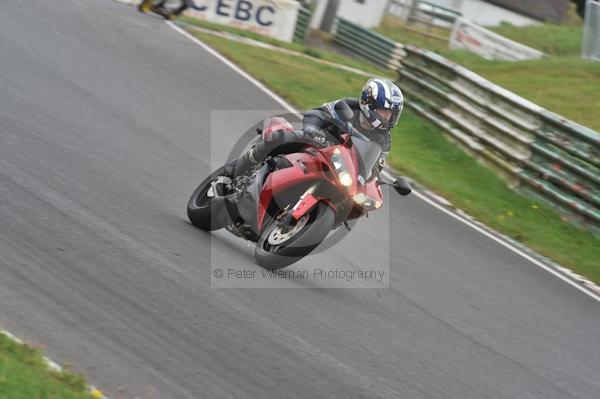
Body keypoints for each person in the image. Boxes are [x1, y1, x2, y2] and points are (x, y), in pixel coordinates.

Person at [225, 78, 404, 178]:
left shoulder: (384, 139)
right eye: (384, 111)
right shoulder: (348, 105)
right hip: (315, 143)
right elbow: (317, 113)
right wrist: (311, 130)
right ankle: (239, 168)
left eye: (391, 114)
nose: (387, 117)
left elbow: (375, 168)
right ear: (368, 103)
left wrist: (370, 181)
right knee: (280, 138)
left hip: (340, 167)